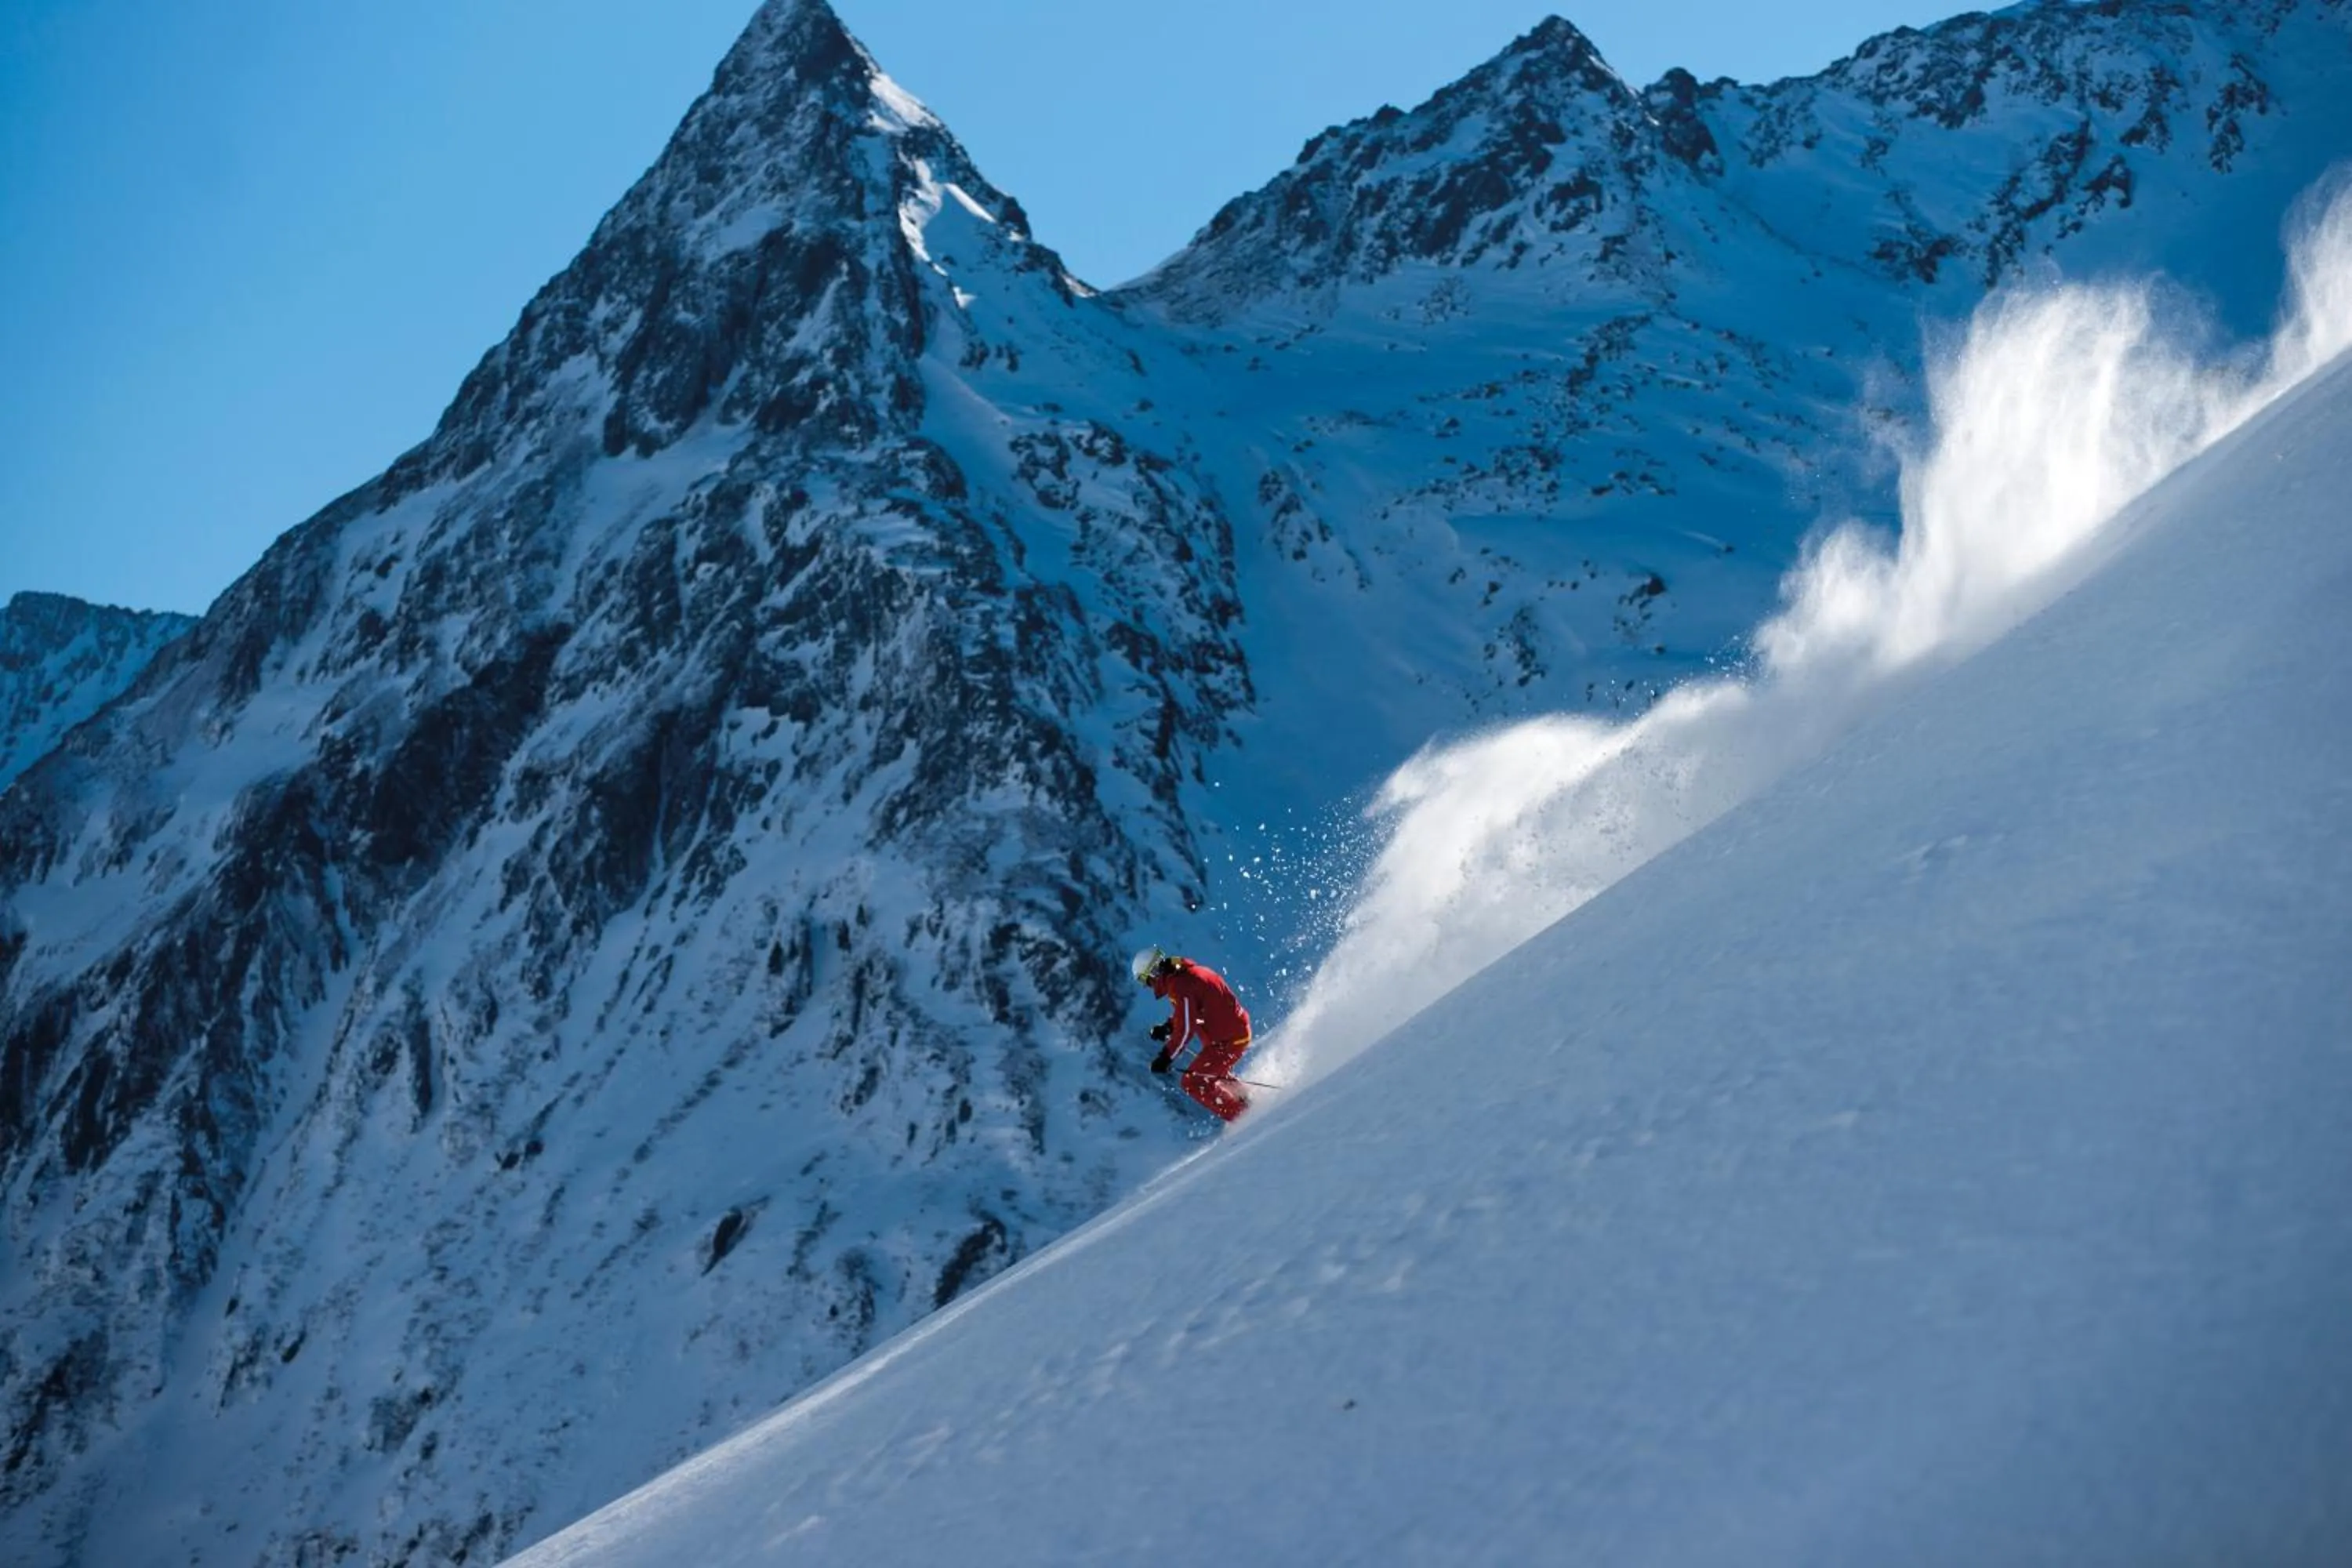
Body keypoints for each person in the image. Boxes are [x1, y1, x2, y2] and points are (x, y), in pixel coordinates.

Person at [1131, 944, 1252, 1123]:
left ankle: (1244, 1118)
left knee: (1193, 1082)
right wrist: (1168, 1027)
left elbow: (1186, 1028)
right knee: (1213, 1072)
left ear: (1153, 974)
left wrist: (1166, 1057)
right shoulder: (1185, 976)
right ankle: (1247, 1101)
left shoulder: (1181, 985)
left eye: (1145, 980)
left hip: (1229, 1040)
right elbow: (1188, 1011)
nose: (1148, 986)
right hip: (1231, 1034)